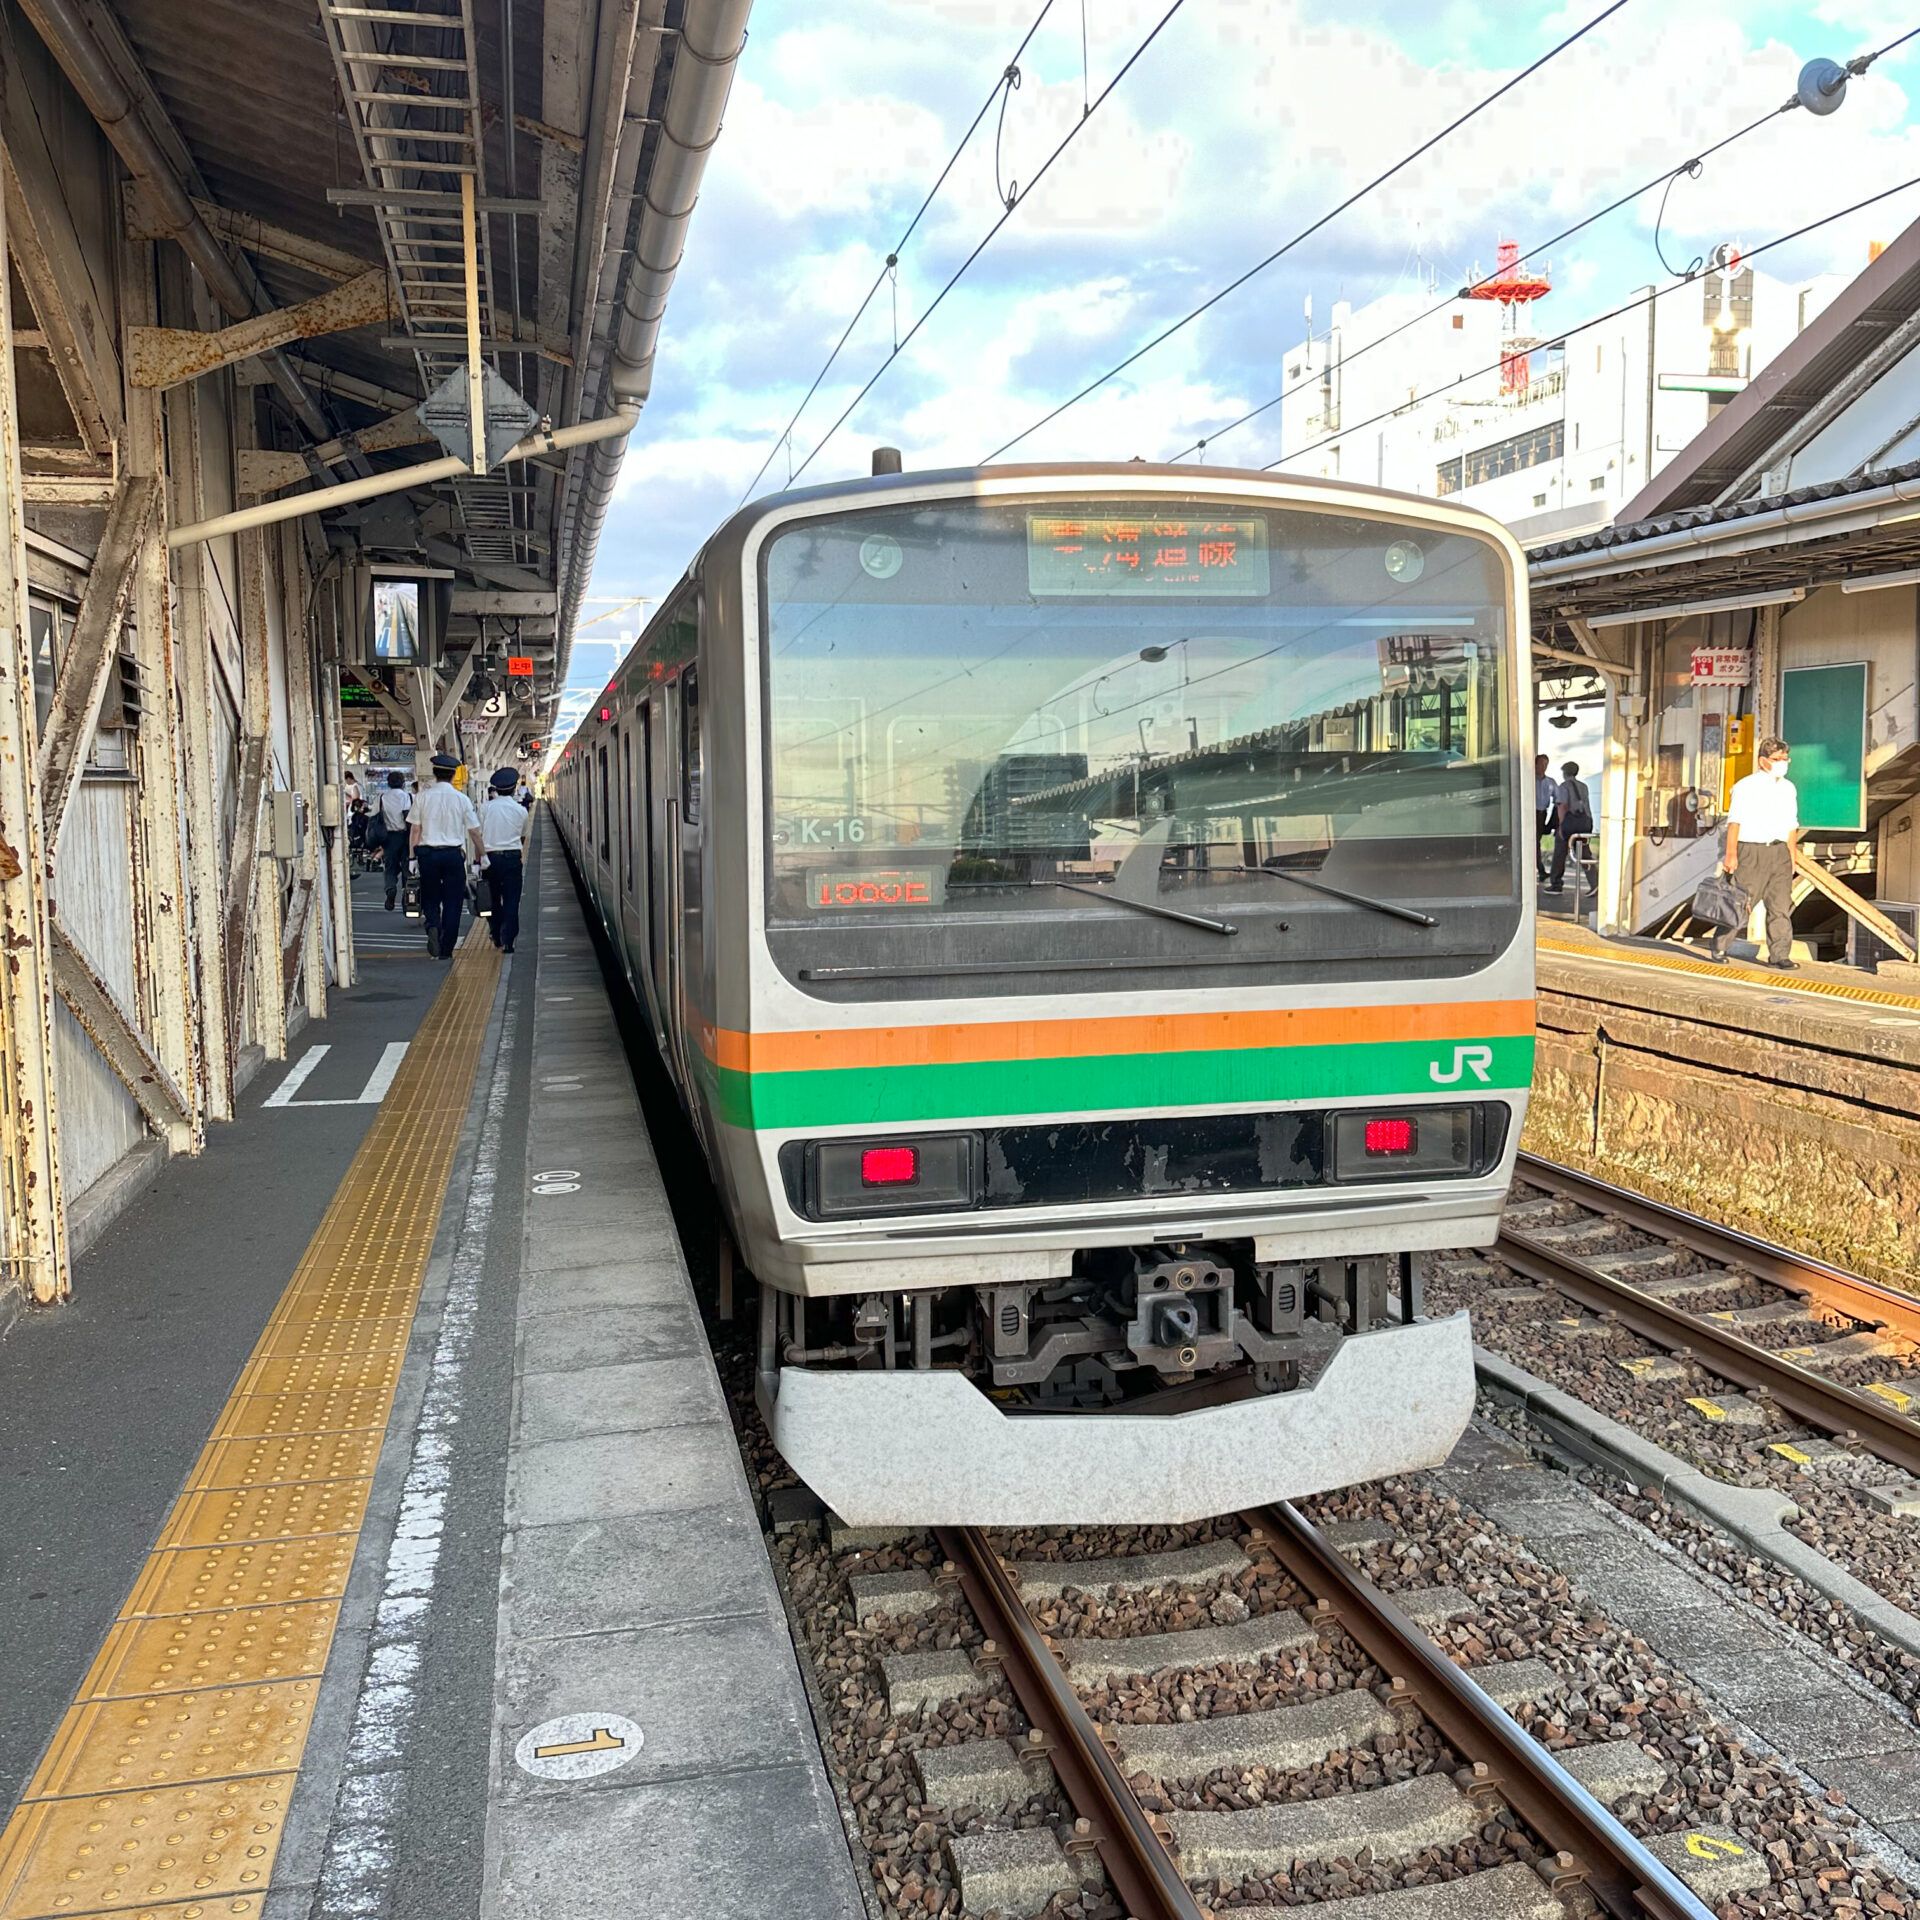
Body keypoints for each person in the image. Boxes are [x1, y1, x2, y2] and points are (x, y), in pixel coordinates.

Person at [1714, 734, 1800, 969]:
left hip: (1779, 851)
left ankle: (1780, 955)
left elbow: (1792, 825)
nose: (1782, 762)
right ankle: (1721, 944)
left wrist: (1792, 857)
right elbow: (1735, 822)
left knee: (1780, 906)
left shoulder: (1788, 788)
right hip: (1751, 850)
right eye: (1777, 758)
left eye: (1785, 758)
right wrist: (1730, 854)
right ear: (1763, 761)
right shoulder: (1746, 786)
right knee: (1741, 902)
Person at [410, 753, 482, 959]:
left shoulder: (422, 797)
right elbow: (474, 831)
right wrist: (481, 857)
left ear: (434, 774)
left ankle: (433, 924)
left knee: (430, 896)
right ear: (453, 776)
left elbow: (415, 830)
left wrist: (411, 858)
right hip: (452, 855)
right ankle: (447, 948)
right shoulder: (462, 799)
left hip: (428, 855)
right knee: (453, 901)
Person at [479, 766, 531, 952]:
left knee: (491, 899)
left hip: (490, 859)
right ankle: (509, 940)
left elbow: (479, 835)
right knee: (511, 899)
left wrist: (479, 861)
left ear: (495, 789)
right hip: (512, 858)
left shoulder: (485, 809)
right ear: (514, 787)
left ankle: (496, 932)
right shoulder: (521, 811)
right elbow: (522, 837)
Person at [1549, 760, 1593, 893]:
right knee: (1584, 853)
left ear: (1564, 773)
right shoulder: (1584, 786)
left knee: (1560, 852)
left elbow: (1562, 806)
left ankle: (1556, 883)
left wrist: (1561, 827)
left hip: (1570, 823)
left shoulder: (1563, 787)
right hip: (1585, 822)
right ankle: (1594, 882)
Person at [376, 771, 412, 909]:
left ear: (388, 783)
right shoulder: (407, 797)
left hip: (389, 837)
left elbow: (375, 816)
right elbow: (409, 817)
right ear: (403, 783)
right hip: (405, 836)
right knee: (406, 867)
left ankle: (390, 889)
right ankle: (406, 895)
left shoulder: (382, 798)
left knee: (390, 867)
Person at [1533, 752, 1555, 884]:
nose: (1543, 767)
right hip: (1531, 812)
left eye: (1545, 764)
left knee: (1536, 842)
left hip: (1542, 813)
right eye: (1541, 764)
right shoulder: (1529, 780)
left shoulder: (1550, 782)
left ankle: (1540, 870)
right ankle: (1540, 870)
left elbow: (1559, 798)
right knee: (1534, 843)